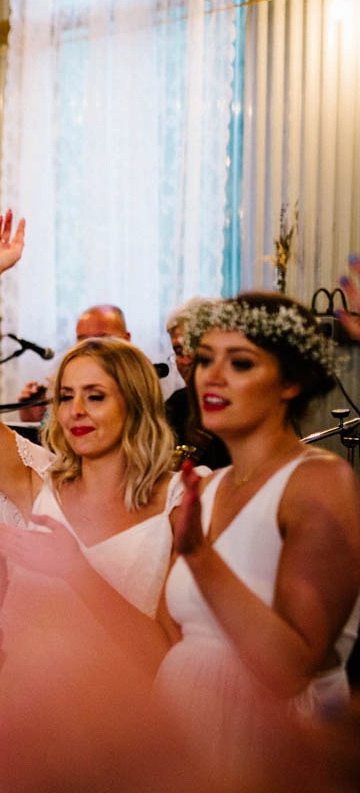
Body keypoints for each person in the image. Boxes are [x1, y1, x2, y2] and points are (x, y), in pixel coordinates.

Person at [0, 211, 184, 791]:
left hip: (122, 723)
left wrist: (75, 570)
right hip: (24, 711)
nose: (75, 411)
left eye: (95, 396)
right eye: (66, 396)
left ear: (136, 404)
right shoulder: (36, 482)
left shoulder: (177, 503)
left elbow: (166, 654)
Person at [146, 293, 360, 788]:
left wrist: (199, 555)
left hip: (270, 738)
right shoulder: (212, 484)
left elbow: (290, 671)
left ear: (291, 382)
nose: (211, 377)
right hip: (182, 717)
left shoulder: (319, 483)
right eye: (204, 360)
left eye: (240, 363)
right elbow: (170, 625)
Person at [16, 302, 132, 421]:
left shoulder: (143, 381)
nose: (90, 347)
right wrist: (36, 415)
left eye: (102, 337)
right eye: (83, 339)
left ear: (126, 339)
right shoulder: (70, 376)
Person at [164, 297, 229, 469]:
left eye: (193, 347)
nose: (186, 359)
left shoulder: (243, 404)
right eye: (178, 351)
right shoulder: (175, 406)